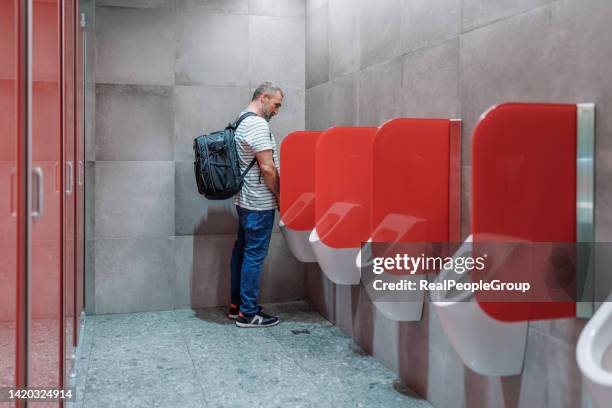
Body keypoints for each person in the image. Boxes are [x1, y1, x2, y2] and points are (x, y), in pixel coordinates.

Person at [228, 82, 283, 328]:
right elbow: (268, 167)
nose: (277, 110)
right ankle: (248, 313)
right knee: (253, 256)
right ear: (263, 98)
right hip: (259, 203)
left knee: (242, 252)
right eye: (276, 104)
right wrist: (280, 194)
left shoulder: (240, 120)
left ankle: (237, 305)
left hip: (244, 201)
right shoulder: (257, 124)